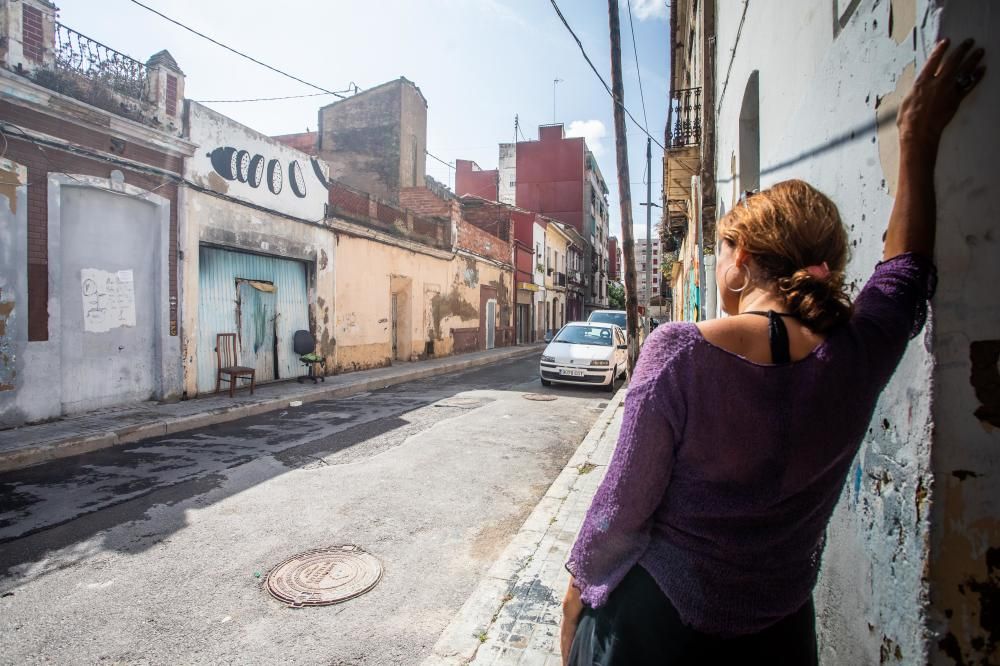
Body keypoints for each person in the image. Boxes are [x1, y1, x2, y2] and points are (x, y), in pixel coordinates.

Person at [560, 39, 985, 665]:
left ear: (745, 260)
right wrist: (917, 140)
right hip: (780, 637)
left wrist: (573, 606)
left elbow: (618, 516)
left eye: (724, 247)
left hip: (655, 633)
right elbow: (906, 271)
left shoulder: (678, 354)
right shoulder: (858, 352)